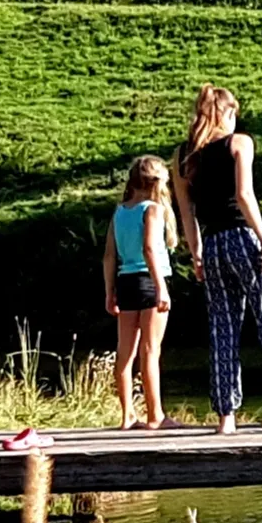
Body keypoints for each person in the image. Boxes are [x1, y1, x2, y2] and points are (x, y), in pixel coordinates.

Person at [172, 85, 262, 434]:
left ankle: (226, 417)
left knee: (223, 329)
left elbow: (186, 212)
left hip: (213, 245)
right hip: (243, 238)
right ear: (226, 113)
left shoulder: (183, 157)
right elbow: (244, 195)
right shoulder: (240, 143)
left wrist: (196, 255)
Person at [101, 155, 177, 430]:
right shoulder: (153, 209)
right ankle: (156, 415)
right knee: (150, 351)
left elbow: (109, 255)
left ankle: (127, 415)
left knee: (125, 353)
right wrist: (161, 287)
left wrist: (110, 291)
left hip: (125, 282)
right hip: (148, 281)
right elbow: (149, 249)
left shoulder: (120, 211)